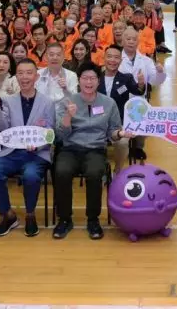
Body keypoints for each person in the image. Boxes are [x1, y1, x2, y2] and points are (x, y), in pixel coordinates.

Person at [53, 63, 128, 240]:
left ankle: (93, 220)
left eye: (92, 78)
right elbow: (61, 135)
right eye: (85, 78)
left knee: (95, 173)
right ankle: (64, 219)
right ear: (79, 81)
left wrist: (120, 134)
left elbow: (113, 131)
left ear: (98, 81)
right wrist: (68, 116)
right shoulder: (68, 101)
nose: (88, 82)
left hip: (95, 149)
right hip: (70, 148)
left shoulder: (108, 103)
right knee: (61, 171)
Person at [0, 58, 56, 238]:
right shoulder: (8, 101)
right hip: (11, 152)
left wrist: (39, 145)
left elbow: (50, 133)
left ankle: (30, 215)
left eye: (29, 73)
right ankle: (8, 215)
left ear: (36, 76)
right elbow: (3, 128)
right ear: (16, 77)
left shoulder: (47, 102)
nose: (24, 77)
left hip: (37, 153)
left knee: (31, 176)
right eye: (20, 73)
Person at [97, 45, 144, 170]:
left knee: (123, 143)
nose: (112, 60)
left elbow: (138, 91)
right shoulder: (95, 78)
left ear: (121, 60)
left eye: (116, 57)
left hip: (119, 123)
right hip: (97, 122)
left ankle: (118, 171)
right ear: (104, 58)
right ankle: (101, 170)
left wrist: (141, 84)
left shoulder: (126, 78)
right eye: (109, 56)